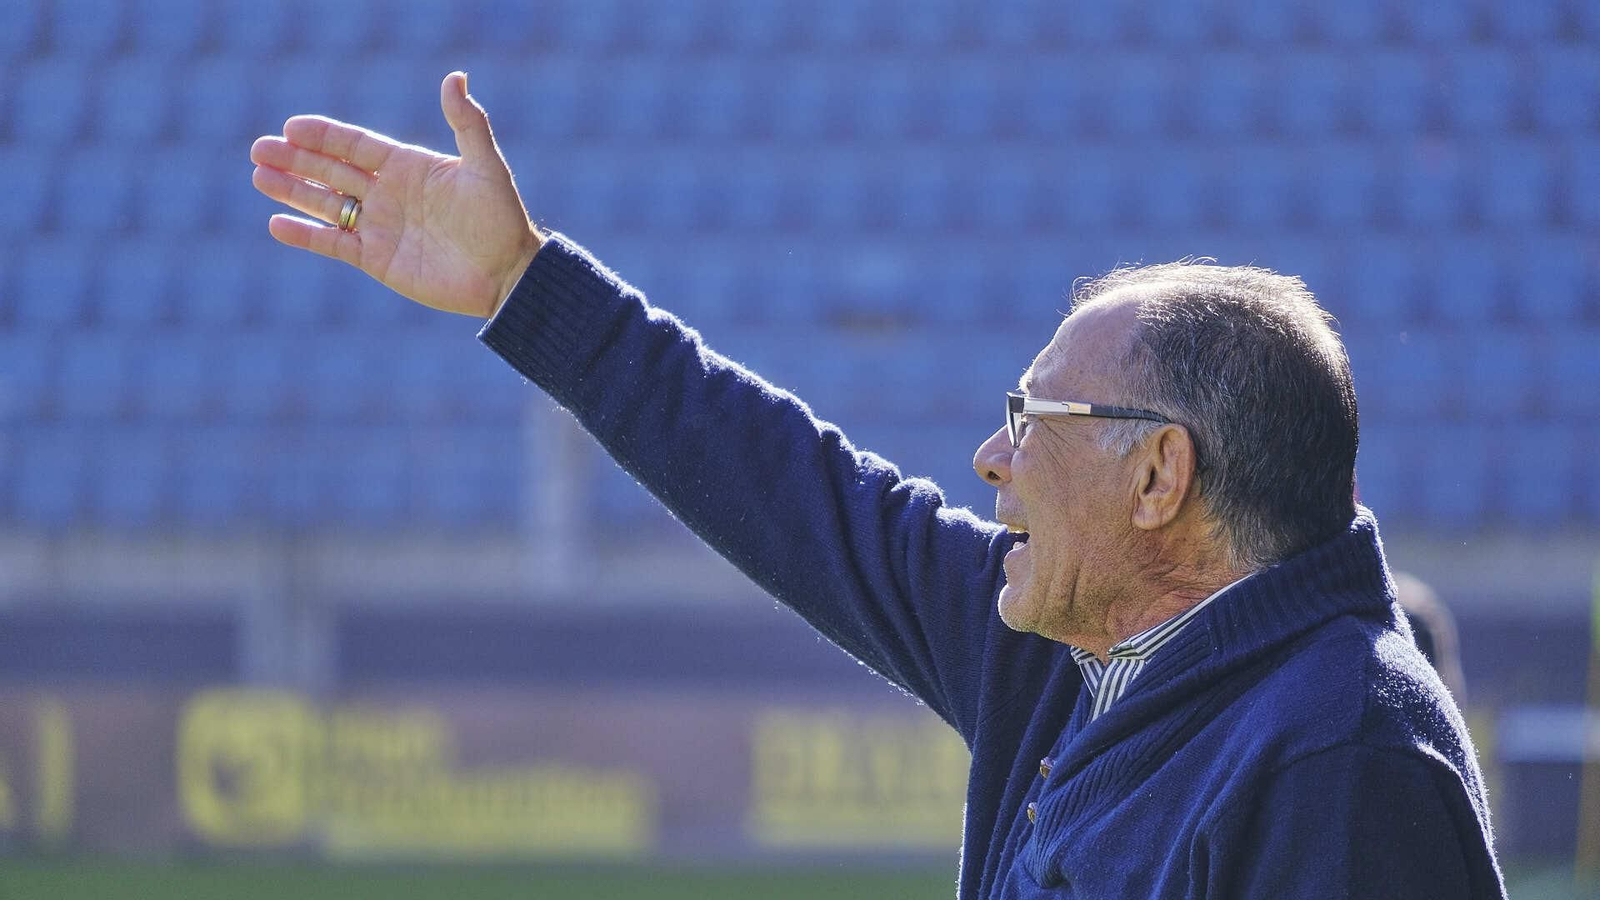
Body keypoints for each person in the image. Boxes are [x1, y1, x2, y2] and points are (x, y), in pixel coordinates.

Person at [248, 72, 1506, 898]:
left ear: (1158, 476)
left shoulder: (1339, 758)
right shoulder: (1066, 649)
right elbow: (793, 490)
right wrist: (527, 289)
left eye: (1034, 416)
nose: (991, 456)